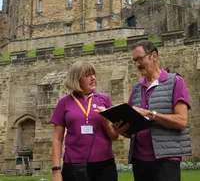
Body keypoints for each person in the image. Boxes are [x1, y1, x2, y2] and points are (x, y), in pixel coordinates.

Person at [115, 40, 192, 181]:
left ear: (154, 56)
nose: (137, 64)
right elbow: (133, 127)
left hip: (166, 160)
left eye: (140, 59)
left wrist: (150, 114)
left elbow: (181, 121)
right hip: (139, 161)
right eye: (134, 61)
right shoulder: (137, 88)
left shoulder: (175, 82)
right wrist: (122, 129)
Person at [50, 60, 118, 181]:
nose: (93, 78)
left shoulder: (104, 99)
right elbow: (57, 138)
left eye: (93, 74)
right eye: (87, 75)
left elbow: (114, 136)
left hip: (104, 165)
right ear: (76, 79)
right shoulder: (64, 102)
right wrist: (56, 171)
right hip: (74, 165)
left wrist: (106, 120)